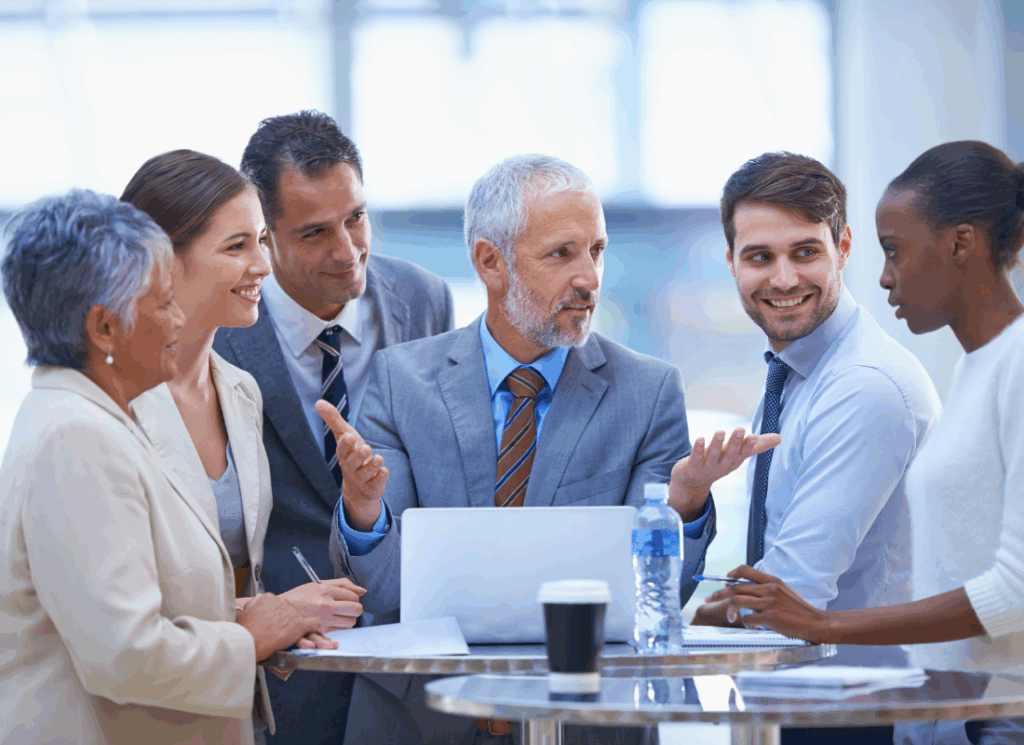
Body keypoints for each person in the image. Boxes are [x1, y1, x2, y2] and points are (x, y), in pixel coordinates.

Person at [324, 154, 779, 745]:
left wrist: (686, 500)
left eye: (597, 250)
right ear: (491, 262)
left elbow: (658, 608)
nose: (589, 277)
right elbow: (385, 592)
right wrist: (363, 510)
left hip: (588, 719)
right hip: (418, 719)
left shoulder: (647, 391)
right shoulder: (401, 380)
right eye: (562, 254)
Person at [711, 140, 1024, 745]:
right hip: (936, 710)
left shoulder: (875, 383)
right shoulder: (975, 368)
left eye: (895, 252)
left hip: (963, 715)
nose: (884, 278)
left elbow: (1014, 589)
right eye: (758, 256)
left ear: (960, 245)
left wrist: (822, 621)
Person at [0, 190, 323, 745]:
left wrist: (267, 613)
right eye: (163, 302)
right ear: (104, 329)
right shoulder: (78, 438)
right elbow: (125, 653)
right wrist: (251, 636)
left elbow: (118, 602)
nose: (180, 320)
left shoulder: (93, 420)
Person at [213, 110, 455, 744]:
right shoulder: (224, 326)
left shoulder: (424, 298)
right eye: (316, 232)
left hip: (410, 652)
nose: (348, 251)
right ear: (264, 238)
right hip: (287, 660)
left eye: (356, 217)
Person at [692, 152, 941, 744]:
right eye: (760, 257)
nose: (782, 280)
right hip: (804, 705)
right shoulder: (797, 371)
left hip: (860, 717)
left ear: (844, 246)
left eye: (805, 251)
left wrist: (685, 614)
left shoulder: (864, 387)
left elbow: (791, 591)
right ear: (731, 262)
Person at [121, 150, 366, 739]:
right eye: (237, 248)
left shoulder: (239, 391)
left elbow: (233, 581)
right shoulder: (113, 402)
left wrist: (284, 621)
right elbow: (111, 616)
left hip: (223, 716)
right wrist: (261, 621)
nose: (263, 263)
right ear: (161, 261)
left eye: (261, 240)